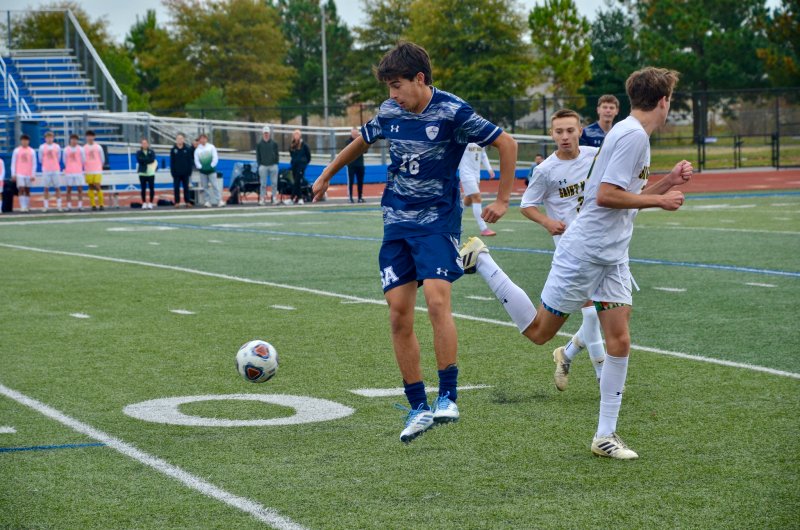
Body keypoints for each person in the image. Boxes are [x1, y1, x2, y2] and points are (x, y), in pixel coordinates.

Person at [460, 67, 692, 459]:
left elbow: (621, 193)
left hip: (613, 255)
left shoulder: (629, 132)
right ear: (665, 101)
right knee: (539, 333)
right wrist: (660, 200)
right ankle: (480, 258)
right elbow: (606, 196)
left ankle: (605, 435)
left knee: (619, 340)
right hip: (584, 251)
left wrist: (667, 181)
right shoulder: (633, 135)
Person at [312, 42, 518, 443]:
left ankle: (448, 397)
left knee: (438, 300)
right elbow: (363, 139)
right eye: (389, 87)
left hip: (437, 221)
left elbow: (506, 143)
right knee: (398, 314)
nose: (391, 95)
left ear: (419, 79)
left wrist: (503, 199)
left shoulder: (452, 111)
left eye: (396, 85)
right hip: (396, 223)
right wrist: (327, 173)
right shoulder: (391, 111)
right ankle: (418, 406)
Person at [519, 109, 603, 388]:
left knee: (607, 311)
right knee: (591, 311)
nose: (564, 137)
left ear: (580, 130)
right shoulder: (546, 170)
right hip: (571, 250)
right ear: (551, 134)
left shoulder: (596, 156)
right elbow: (526, 205)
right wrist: (547, 221)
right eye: (558, 132)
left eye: (570, 130)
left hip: (601, 244)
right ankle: (605, 377)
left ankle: (565, 354)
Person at [458, 142, 496, 236]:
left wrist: (489, 169)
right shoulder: (465, 140)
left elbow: (483, 155)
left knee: (468, 201)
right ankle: (484, 228)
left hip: (476, 175)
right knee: (477, 198)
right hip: (466, 174)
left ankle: (454, 220)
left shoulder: (481, 141)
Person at [194, 133, 223, 207]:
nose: (203, 140)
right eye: (201, 138)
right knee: (205, 187)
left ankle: (219, 200)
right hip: (202, 172)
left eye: (204, 138)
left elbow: (215, 157)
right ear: (199, 140)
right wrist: (200, 167)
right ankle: (207, 201)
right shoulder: (197, 150)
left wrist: (212, 165)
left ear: (206, 139)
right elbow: (196, 160)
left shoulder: (211, 147)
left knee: (215, 185)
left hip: (211, 171)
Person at [38, 131, 63, 212]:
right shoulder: (42, 147)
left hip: (55, 169)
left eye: (51, 137)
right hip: (46, 169)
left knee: (57, 188)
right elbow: (40, 159)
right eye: (48, 137)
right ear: (45, 138)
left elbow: (58, 158)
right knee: (46, 188)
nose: (49, 139)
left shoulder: (57, 147)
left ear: (53, 138)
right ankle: (46, 206)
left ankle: (59, 206)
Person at [11, 134, 36, 213]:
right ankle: (22, 206)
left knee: (27, 190)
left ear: (28, 141)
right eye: (23, 140)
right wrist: (13, 174)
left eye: (26, 140)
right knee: (21, 189)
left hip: (28, 173)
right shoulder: (16, 150)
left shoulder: (32, 151)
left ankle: (27, 205)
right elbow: (13, 163)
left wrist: (33, 174)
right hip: (20, 173)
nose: (25, 142)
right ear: (21, 141)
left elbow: (34, 163)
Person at [256, 125, 279, 205]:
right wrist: (260, 164)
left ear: (269, 134)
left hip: (273, 165)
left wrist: (276, 163)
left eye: (267, 133)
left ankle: (274, 198)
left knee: (274, 183)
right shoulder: (259, 144)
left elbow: (276, 154)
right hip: (263, 166)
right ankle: (262, 198)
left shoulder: (274, 143)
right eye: (265, 133)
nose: (266, 134)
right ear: (263, 134)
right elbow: (258, 155)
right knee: (263, 183)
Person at [62, 134, 85, 211]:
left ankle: (80, 205)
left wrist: (78, 167)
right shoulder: (66, 149)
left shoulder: (81, 149)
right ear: (70, 140)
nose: (74, 141)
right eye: (73, 139)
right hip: (69, 172)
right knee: (69, 189)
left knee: (80, 189)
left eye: (76, 140)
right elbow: (64, 161)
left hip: (78, 172)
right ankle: (69, 206)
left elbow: (83, 160)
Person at [83, 130, 105, 211]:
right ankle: (93, 205)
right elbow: (83, 159)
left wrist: (99, 166)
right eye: (88, 136)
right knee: (91, 187)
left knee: (97, 186)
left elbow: (102, 158)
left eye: (91, 136)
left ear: (94, 137)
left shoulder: (98, 147)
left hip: (97, 170)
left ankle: (101, 204)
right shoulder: (84, 148)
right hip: (88, 170)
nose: (90, 138)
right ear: (86, 137)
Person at [288, 129, 311, 205]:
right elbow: (291, 155)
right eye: (295, 135)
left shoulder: (304, 145)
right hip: (294, 165)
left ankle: (295, 198)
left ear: (300, 136)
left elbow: (308, 156)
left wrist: (304, 163)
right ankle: (298, 198)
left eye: (298, 134)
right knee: (296, 182)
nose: (296, 136)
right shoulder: (292, 145)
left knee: (297, 181)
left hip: (301, 166)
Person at [346, 127, 365, 203]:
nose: (355, 134)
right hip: (351, 164)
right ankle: (350, 197)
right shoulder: (348, 141)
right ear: (351, 133)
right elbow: (350, 151)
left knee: (360, 181)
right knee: (351, 181)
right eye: (354, 133)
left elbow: (365, 150)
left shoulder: (361, 141)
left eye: (356, 133)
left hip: (360, 164)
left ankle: (360, 197)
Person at [136, 138, 157, 209]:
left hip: (151, 173)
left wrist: (145, 160)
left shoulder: (151, 152)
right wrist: (147, 160)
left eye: (145, 143)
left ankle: (151, 202)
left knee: (151, 188)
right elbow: (139, 160)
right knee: (143, 189)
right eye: (143, 143)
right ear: (141, 144)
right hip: (142, 173)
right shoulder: (139, 152)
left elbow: (152, 159)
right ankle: (144, 202)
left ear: (148, 144)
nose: (144, 144)